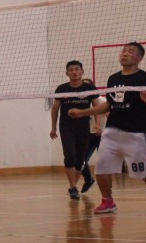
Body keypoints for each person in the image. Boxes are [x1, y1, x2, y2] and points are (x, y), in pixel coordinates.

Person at [69, 42, 146, 214]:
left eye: (130, 51)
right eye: (123, 51)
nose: (124, 54)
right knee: (101, 168)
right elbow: (108, 105)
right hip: (111, 131)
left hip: (137, 133)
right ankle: (108, 201)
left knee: (145, 173)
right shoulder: (113, 79)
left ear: (139, 58)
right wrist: (83, 113)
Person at [50, 62, 101, 199]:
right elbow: (55, 109)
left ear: (82, 72)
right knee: (70, 156)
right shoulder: (62, 89)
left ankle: (74, 187)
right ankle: (73, 187)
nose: (74, 72)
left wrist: (97, 124)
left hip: (83, 126)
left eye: (77, 69)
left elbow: (97, 107)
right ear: (66, 73)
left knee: (80, 160)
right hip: (66, 126)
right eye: (71, 70)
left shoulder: (89, 88)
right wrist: (53, 127)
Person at [79, 78, 105, 194]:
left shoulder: (100, 100)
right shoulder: (81, 101)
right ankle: (89, 180)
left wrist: (100, 127)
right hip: (88, 134)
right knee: (80, 160)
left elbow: (108, 114)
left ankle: (107, 189)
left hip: (102, 134)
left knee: (104, 161)